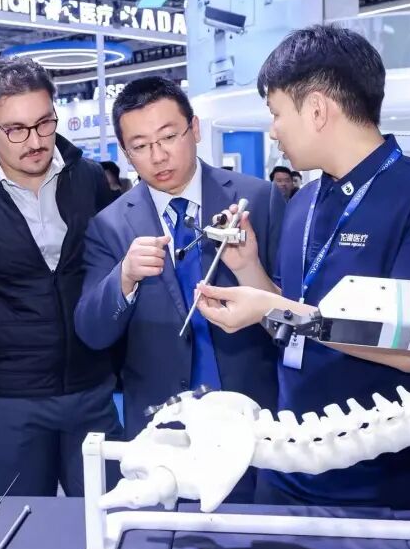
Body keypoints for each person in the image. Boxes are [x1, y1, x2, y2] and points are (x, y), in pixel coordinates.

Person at [194, 25, 410, 511]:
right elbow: (293, 319)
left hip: (387, 482)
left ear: (317, 109)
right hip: (289, 466)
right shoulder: (304, 202)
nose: (273, 130)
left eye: (276, 113)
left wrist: (272, 306)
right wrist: (248, 270)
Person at [0, 58, 122, 498]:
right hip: (9, 402)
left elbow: (110, 275)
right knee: (23, 524)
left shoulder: (88, 180)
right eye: (16, 129)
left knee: (111, 516)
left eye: (44, 123)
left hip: (91, 390)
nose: (35, 141)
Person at [74, 76, 284, 502]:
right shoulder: (109, 226)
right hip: (162, 429)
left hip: (253, 417)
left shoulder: (257, 200)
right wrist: (124, 277)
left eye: (169, 137)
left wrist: (250, 269)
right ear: (125, 152)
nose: (158, 156)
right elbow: (91, 331)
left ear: (195, 129)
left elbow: (293, 313)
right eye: (140, 146)